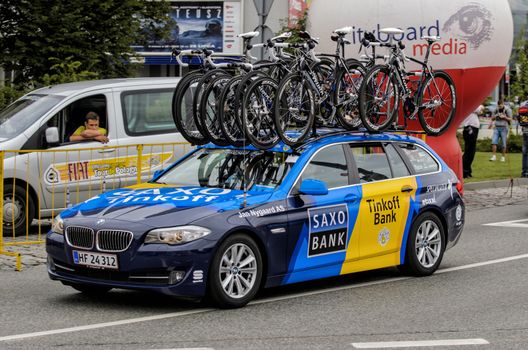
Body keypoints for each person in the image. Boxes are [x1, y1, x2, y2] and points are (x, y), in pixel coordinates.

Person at [462, 104, 483, 178]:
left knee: (471, 151)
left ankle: (467, 170)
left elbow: (479, 111)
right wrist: (481, 106)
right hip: (470, 128)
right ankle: (464, 171)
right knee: (469, 151)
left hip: (472, 128)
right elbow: (479, 109)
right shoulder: (471, 103)